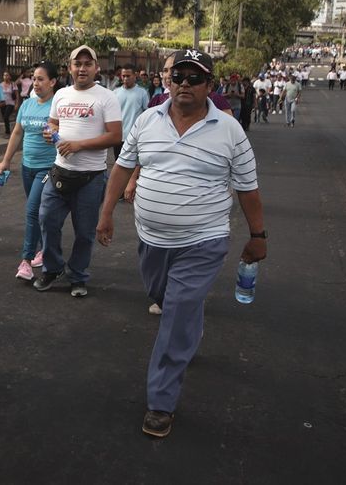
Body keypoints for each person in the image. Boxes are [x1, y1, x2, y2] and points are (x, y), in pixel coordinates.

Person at [96, 48, 267, 438]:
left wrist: (258, 236)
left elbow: (248, 188)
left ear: (210, 85)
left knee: (175, 313)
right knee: (163, 295)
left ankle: (161, 402)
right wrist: (106, 214)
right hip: (152, 240)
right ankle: (189, 326)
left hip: (204, 240)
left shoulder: (229, 129)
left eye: (195, 78)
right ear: (167, 81)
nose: (184, 84)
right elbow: (123, 166)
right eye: (178, 77)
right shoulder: (146, 120)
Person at [33, 45, 122, 297]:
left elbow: (116, 136)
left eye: (87, 63)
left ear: (96, 68)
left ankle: (78, 275)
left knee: (84, 232)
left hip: (90, 177)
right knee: (47, 220)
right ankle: (52, 268)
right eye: (77, 63)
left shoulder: (107, 97)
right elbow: (53, 123)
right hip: (59, 172)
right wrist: (50, 132)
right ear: (70, 68)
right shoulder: (61, 94)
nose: (82, 68)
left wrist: (79, 145)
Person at [0, 62, 59, 281]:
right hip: (27, 167)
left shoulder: (57, 106)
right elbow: (16, 133)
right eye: (34, 78)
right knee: (39, 212)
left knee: (32, 211)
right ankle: (43, 248)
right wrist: (6, 161)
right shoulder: (27, 104)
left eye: (41, 79)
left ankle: (26, 261)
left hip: (47, 168)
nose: (36, 82)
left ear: (53, 82)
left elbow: (65, 134)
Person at [113, 64, 149, 159]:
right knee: (118, 164)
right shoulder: (115, 93)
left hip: (134, 137)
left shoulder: (142, 93)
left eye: (128, 76)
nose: (125, 78)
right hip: (118, 137)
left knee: (133, 167)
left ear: (135, 75)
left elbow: (146, 114)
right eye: (123, 76)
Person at [0, 70, 18, 135]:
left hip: (11, 103)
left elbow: (16, 95)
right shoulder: (0, 85)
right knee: (4, 118)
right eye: (4, 75)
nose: (5, 77)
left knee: (6, 117)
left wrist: (16, 104)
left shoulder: (13, 84)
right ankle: (7, 129)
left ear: (10, 77)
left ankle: (7, 132)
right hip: (3, 103)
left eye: (7, 75)